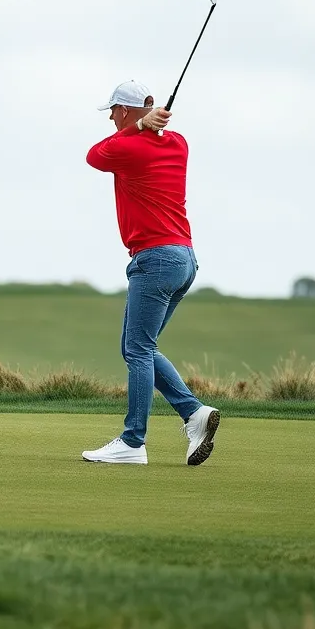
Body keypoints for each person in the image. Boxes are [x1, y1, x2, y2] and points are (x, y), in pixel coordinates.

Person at [80, 79, 220, 466]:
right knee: (138, 347)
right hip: (184, 259)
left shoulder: (128, 146)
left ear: (125, 111)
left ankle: (133, 442)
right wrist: (145, 126)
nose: (110, 118)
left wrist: (139, 128)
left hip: (155, 258)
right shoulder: (178, 144)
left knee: (138, 349)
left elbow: (94, 156)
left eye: (113, 111)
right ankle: (194, 414)